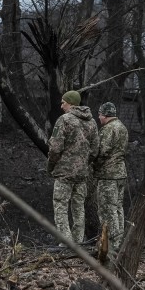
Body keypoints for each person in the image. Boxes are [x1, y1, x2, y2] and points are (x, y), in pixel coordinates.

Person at [47, 90, 98, 244]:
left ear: (70, 103)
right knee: (78, 208)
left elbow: (55, 148)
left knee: (60, 207)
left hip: (64, 173)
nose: (61, 106)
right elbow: (95, 150)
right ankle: (78, 242)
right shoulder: (92, 122)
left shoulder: (64, 120)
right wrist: (83, 164)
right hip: (82, 174)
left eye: (63, 102)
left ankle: (67, 244)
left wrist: (51, 166)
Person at [94, 101, 128, 251]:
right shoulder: (122, 127)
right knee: (118, 207)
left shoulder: (108, 129)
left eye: (100, 115)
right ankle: (120, 240)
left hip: (108, 175)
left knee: (108, 209)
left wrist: (93, 164)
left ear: (105, 114)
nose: (99, 118)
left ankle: (112, 243)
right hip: (120, 173)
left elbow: (103, 151)